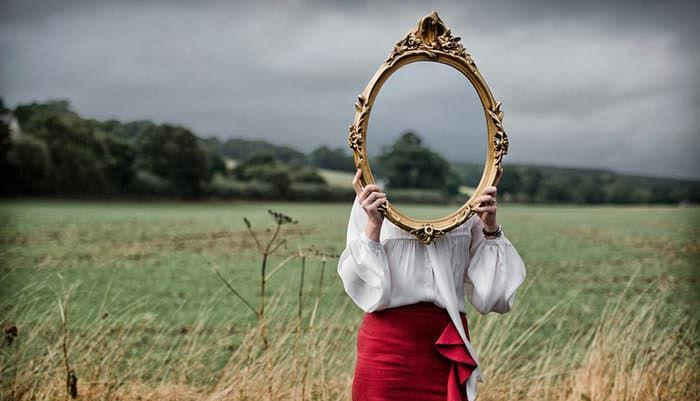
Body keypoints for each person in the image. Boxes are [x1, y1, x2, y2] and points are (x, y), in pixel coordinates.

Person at [337, 169, 527, 401]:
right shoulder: (369, 200)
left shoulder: (469, 206)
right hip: (386, 353)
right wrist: (374, 226)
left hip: (444, 350)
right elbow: (358, 283)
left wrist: (490, 228)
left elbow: (493, 297)